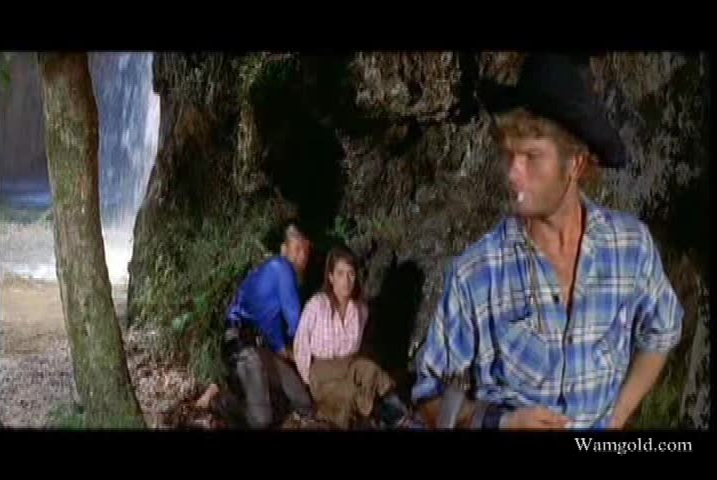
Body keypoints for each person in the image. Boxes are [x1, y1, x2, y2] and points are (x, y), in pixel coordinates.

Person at [412, 54, 684, 430]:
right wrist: (502, 422)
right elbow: (430, 396)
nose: (513, 173)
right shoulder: (476, 273)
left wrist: (617, 417)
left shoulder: (630, 247)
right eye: (509, 155)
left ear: (575, 164)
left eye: (531, 156)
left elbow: (663, 331)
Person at [196, 222, 315, 428]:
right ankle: (219, 400)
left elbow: (272, 323)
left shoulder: (278, 277)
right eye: (297, 249)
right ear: (283, 250)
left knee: (303, 401)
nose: (302, 256)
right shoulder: (281, 267)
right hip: (241, 343)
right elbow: (296, 325)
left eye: (306, 250)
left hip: (260, 347)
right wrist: (308, 356)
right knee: (261, 421)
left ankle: (230, 386)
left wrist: (285, 350)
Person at [293, 245, 420, 429]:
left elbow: (362, 351)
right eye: (340, 274)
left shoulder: (360, 310)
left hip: (350, 366)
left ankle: (400, 413)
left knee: (369, 369)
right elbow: (301, 344)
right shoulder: (317, 305)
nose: (346, 281)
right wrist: (308, 381)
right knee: (352, 390)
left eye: (350, 274)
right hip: (321, 371)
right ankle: (386, 415)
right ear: (331, 277)